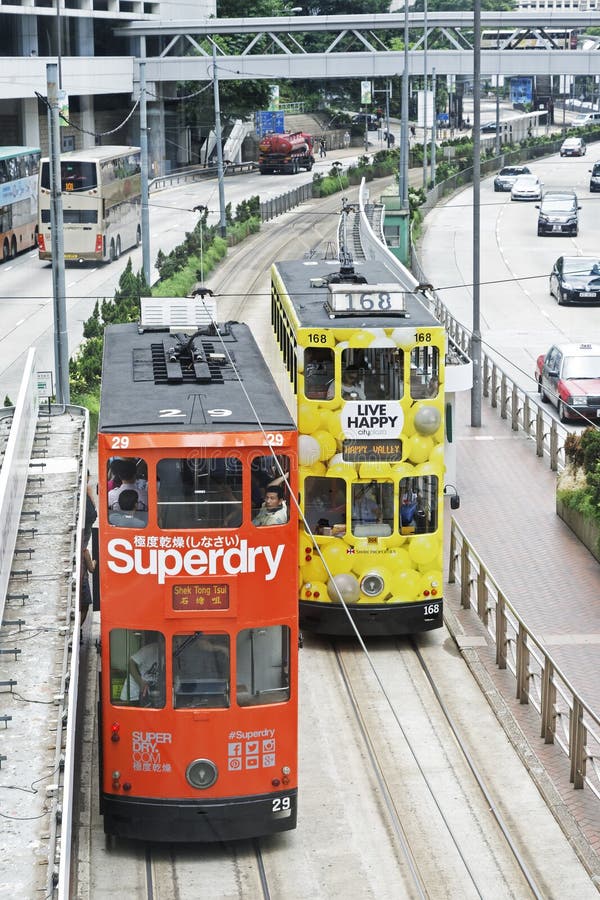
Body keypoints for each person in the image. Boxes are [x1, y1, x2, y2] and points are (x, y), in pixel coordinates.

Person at [121, 640, 161, 706]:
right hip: (133, 693)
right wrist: (140, 682)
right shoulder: (150, 649)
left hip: (149, 693)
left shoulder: (174, 653)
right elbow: (131, 662)